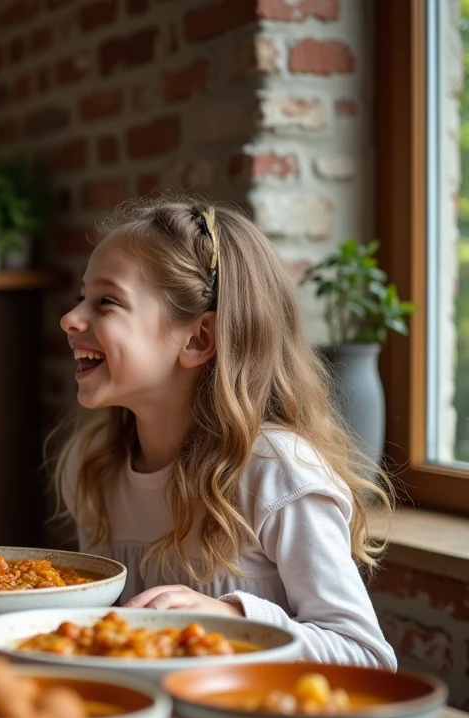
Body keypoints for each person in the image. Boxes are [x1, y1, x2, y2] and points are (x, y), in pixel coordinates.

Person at [54, 197, 396, 669]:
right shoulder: (92, 465)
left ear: (198, 339)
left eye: (106, 302)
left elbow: (366, 656)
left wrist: (231, 619)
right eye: (81, 297)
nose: (70, 319)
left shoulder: (278, 472)